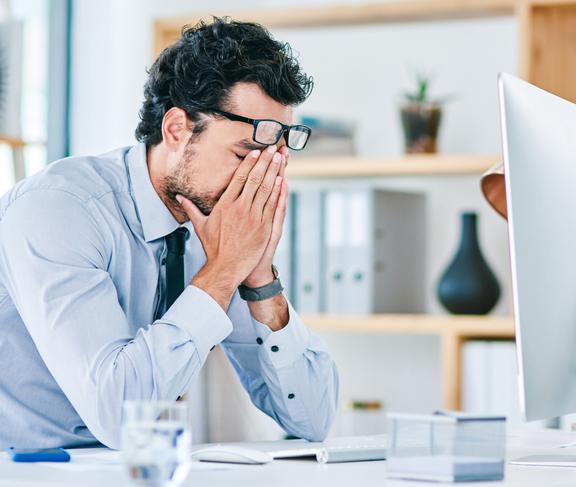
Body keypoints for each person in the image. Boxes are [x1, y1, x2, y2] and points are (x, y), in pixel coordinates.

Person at [0, 17, 338, 449]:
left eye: (274, 160)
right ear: (177, 128)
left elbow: (313, 420)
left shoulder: (215, 226)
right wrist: (222, 271)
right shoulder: (58, 210)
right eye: (246, 154)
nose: (259, 180)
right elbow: (118, 415)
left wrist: (259, 280)